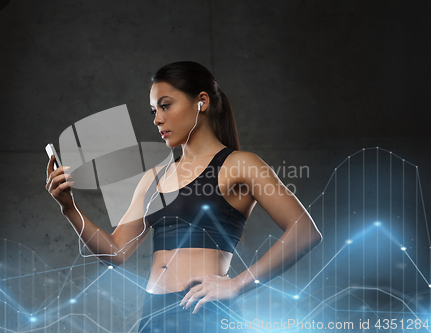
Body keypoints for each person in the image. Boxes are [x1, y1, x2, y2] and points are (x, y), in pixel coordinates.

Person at [45, 61, 322, 332]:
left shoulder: (240, 164)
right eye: (153, 110)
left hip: (204, 315)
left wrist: (237, 284)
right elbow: (116, 251)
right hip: (153, 317)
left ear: (201, 102)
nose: (157, 119)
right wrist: (70, 208)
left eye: (165, 105)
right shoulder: (154, 178)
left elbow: (305, 231)